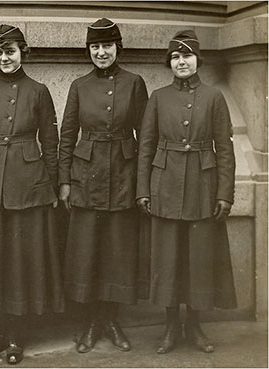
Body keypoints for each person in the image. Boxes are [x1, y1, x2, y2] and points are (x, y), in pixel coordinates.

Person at [136, 30, 237, 354]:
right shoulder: (158, 97)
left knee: (198, 261)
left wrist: (224, 193)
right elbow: (146, 147)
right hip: (164, 186)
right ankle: (169, 328)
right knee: (167, 261)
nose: (181, 62)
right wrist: (143, 190)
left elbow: (225, 148)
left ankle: (194, 326)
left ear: (197, 60)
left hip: (202, 188)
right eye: (176, 57)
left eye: (187, 56)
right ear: (170, 63)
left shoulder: (214, 97)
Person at [0, 24, 64, 365]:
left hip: (29, 186)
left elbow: (50, 144)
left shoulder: (38, 91)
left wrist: (52, 185)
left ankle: (16, 335)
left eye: (11, 51)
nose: (5, 58)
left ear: (24, 52)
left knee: (19, 264)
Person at [58, 18, 148, 354]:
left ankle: (112, 320)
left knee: (117, 253)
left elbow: (146, 135)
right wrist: (64, 181)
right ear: (89, 51)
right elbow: (67, 136)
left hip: (123, 176)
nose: (101, 52)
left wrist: (142, 185)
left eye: (107, 46)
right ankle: (92, 321)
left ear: (117, 48)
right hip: (86, 178)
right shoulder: (79, 86)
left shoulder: (135, 83)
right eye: (95, 47)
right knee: (88, 253)